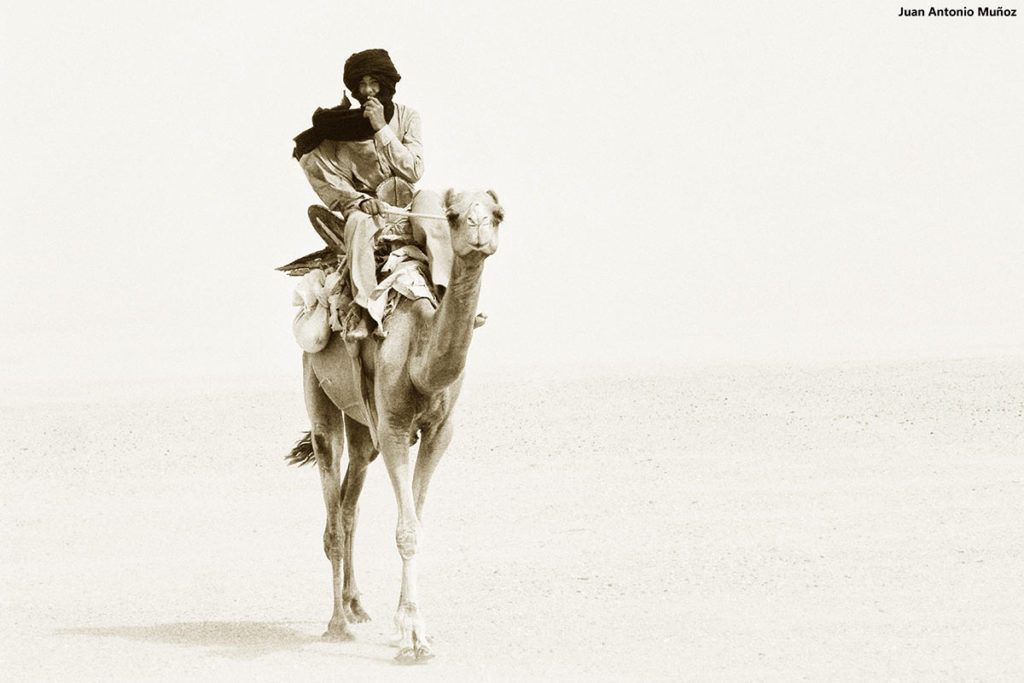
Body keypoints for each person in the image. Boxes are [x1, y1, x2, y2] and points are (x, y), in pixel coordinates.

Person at [292, 49, 451, 338]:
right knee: (357, 223)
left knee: (430, 200)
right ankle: (366, 311)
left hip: (407, 208)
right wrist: (361, 202)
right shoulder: (338, 131)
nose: (368, 91)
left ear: (386, 84)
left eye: (374, 83)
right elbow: (323, 173)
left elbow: (414, 171)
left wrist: (380, 128)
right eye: (362, 85)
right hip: (369, 212)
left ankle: (449, 296)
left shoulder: (407, 117)